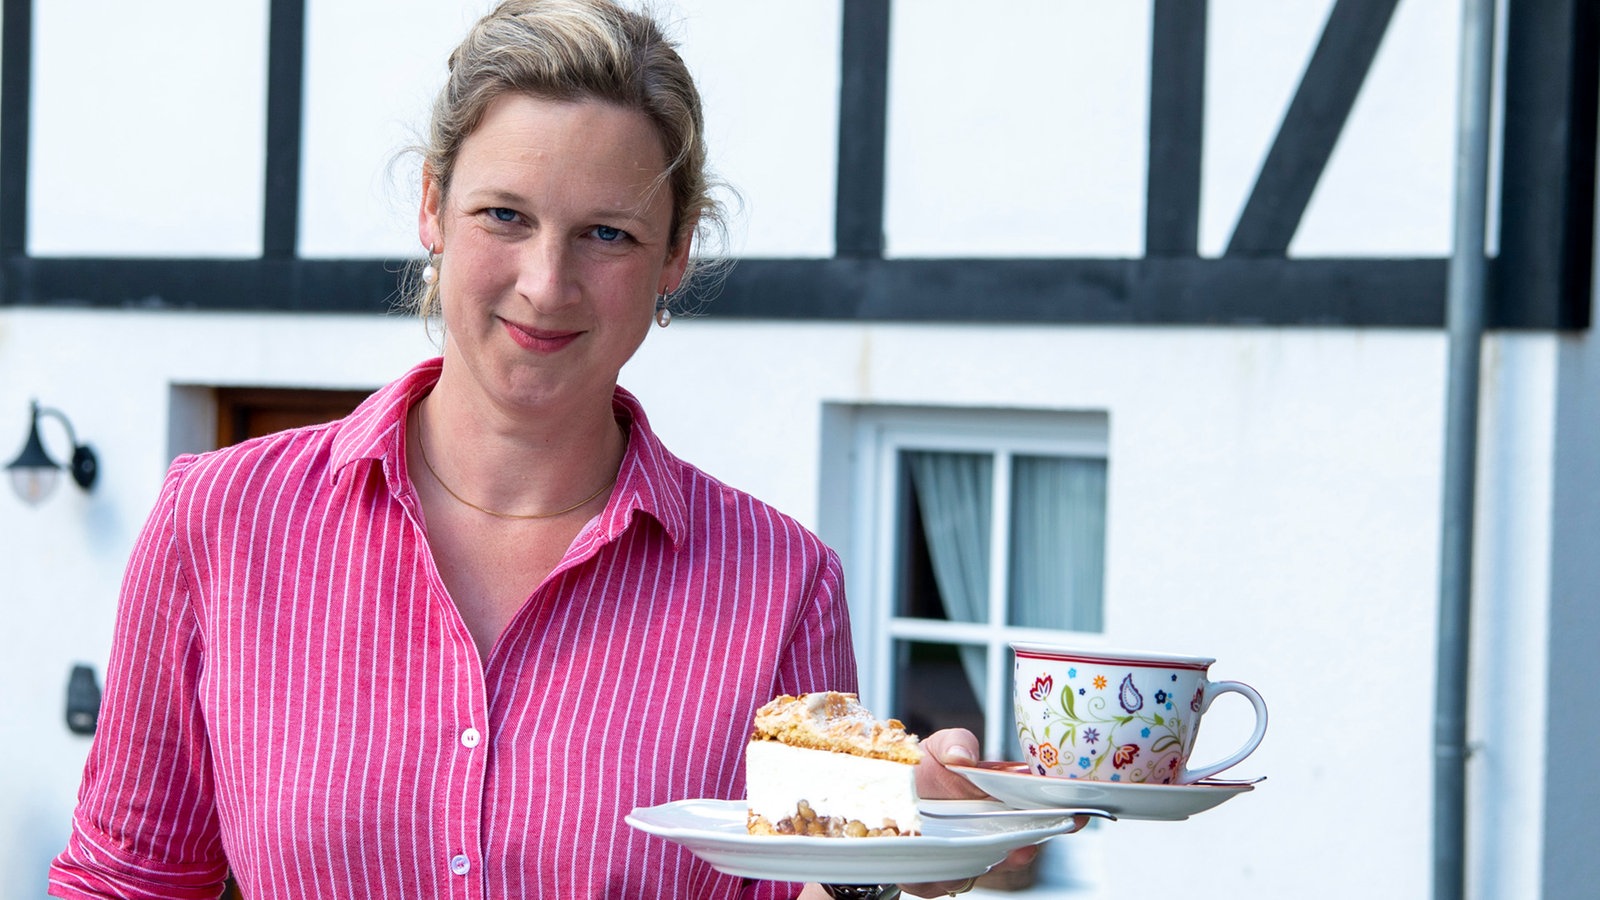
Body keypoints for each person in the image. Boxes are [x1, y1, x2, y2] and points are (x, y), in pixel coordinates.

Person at [48, 1, 1035, 897]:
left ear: (676, 254)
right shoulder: (221, 519)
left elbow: (821, 877)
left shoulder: (779, 582)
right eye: (503, 216)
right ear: (432, 207)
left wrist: (913, 853)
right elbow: (122, 882)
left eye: (606, 234)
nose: (546, 282)